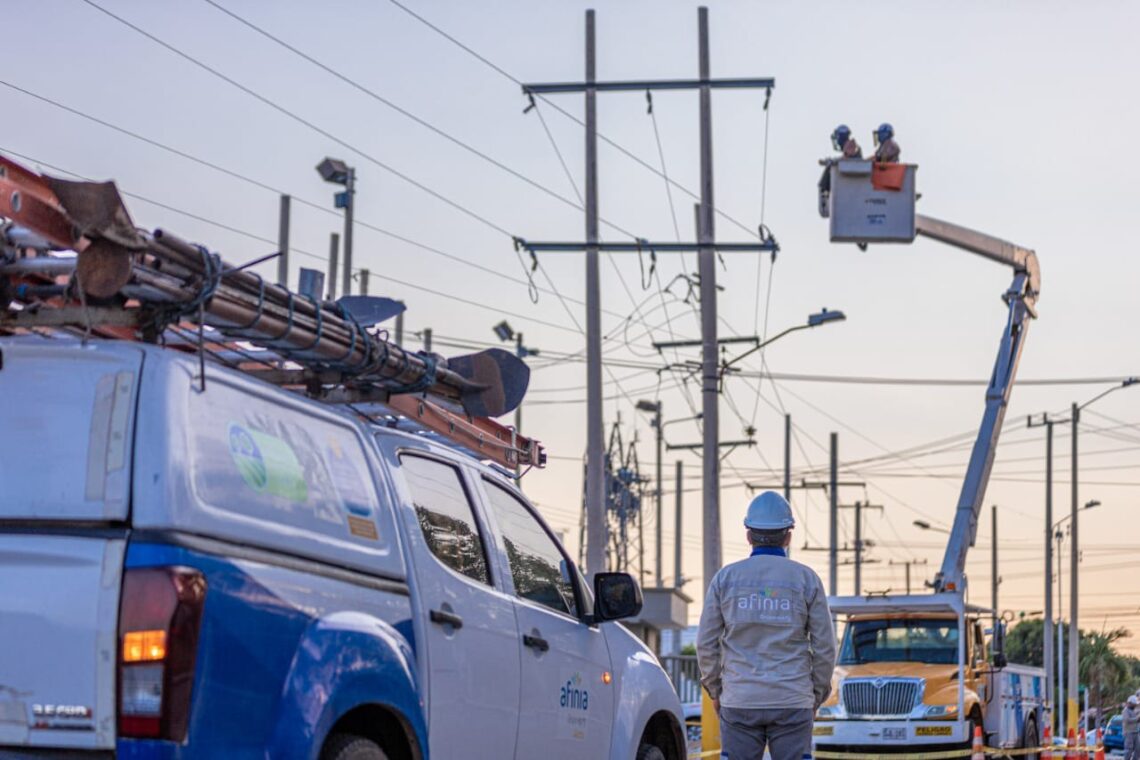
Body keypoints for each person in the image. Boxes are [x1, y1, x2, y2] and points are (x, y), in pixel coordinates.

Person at [696, 491, 837, 760]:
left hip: (739, 700)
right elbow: (825, 647)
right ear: (788, 535)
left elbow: (705, 643)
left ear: (749, 535)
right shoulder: (807, 580)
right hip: (792, 700)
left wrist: (716, 690)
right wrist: (815, 695)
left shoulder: (725, 579)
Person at [818, 123, 863, 216]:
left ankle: (825, 194)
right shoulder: (850, 146)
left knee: (830, 169)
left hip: (852, 176)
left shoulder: (851, 145)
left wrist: (833, 161)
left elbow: (846, 158)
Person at [1123, 695, 1140, 760]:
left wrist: (1138, 720)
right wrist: (1137, 719)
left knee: (1138, 749)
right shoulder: (1125, 711)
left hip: (1135, 732)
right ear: (1129, 703)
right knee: (1129, 749)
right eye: (1134, 704)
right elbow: (1127, 720)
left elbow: (1136, 720)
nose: (1135, 705)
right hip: (1128, 732)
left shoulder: (1133, 711)